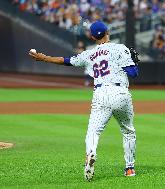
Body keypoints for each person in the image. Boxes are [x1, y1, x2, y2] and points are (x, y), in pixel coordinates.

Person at [28, 20, 139, 181]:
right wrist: (133, 62)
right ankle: (129, 168)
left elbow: (66, 61)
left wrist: (44, 58)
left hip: (100, 93)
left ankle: (91, 152)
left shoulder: (89, 54)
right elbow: (133, 73)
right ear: (108, 32)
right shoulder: (120, 48)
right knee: (128, 131)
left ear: (93, 37)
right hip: (120, 92)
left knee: (93, 132)